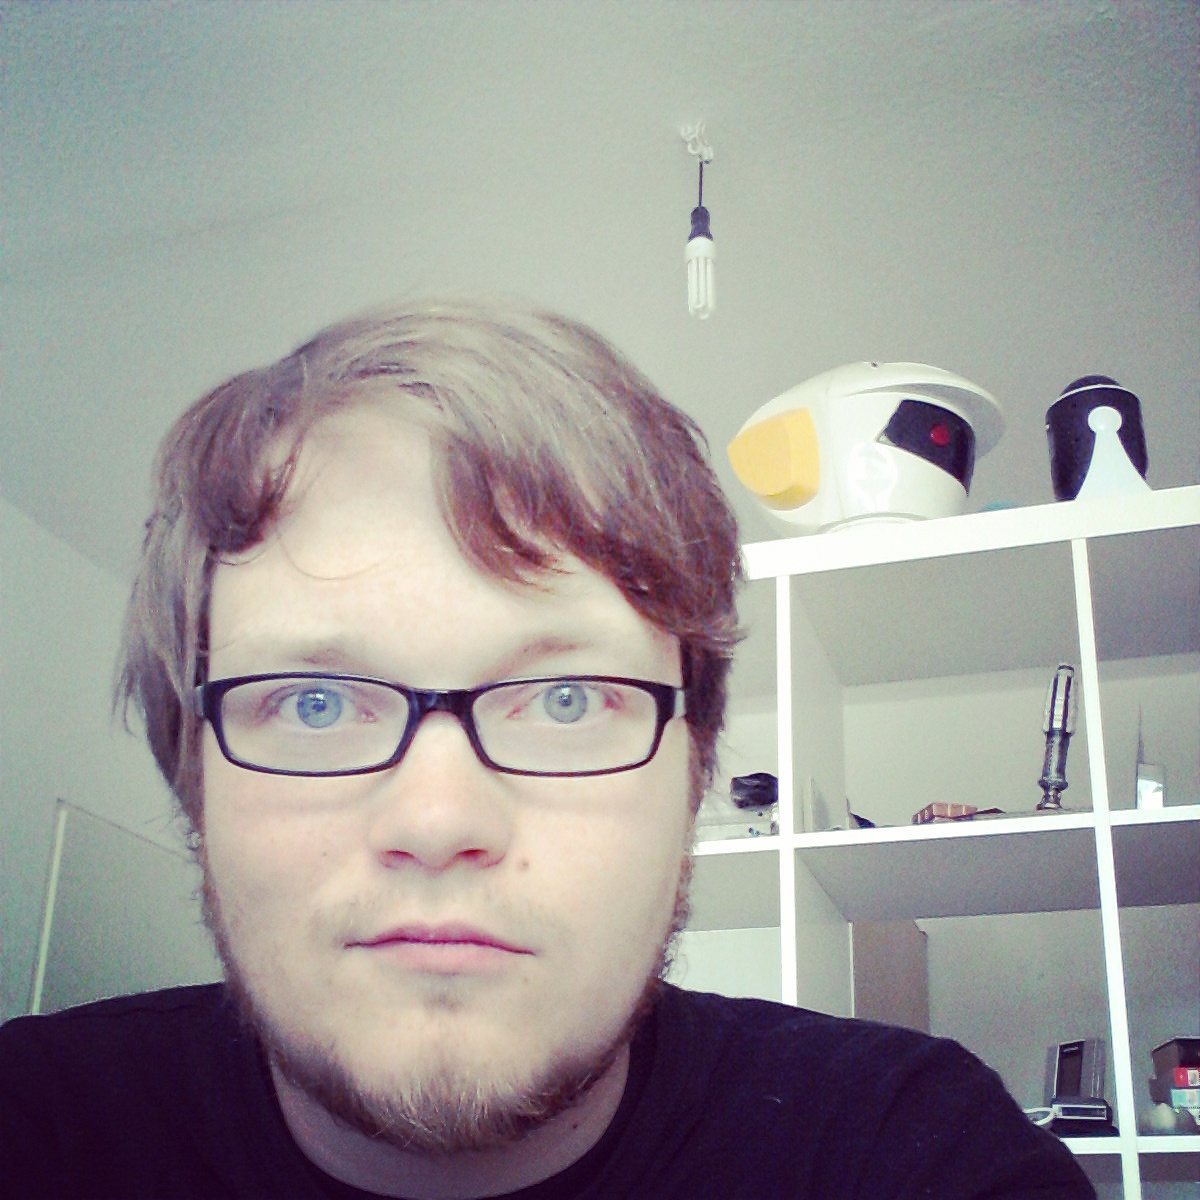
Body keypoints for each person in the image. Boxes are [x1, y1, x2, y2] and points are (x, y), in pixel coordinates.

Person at [0, 297, 1094, 1199]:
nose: (438, 822)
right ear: (191, 775)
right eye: (316, 704)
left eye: (566, 699)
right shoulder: (34, 1129)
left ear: (694, 769)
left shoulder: (910, 1151)